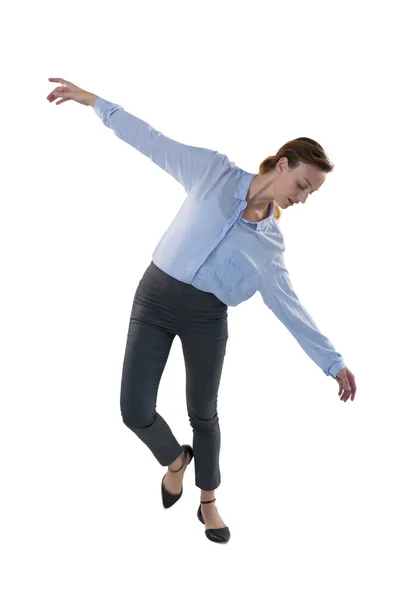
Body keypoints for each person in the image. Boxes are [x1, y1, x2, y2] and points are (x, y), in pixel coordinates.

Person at [47, 78, 357, 545]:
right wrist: (94, 101)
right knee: (134, 410)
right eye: (302, 184)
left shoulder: (270, 246)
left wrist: (333, 362)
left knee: (203, 413)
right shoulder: (213, 171)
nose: (302, 197)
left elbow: (292, 310)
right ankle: (175, 459)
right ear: (281, 164)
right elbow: (152, 141)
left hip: (205, 319)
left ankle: (208, 501)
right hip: (152, 298)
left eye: (310, 192)